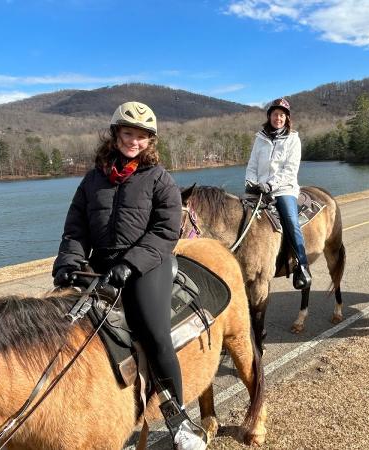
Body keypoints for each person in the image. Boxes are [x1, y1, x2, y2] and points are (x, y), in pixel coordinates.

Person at [52, 101, 207, 450]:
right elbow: (75, 228)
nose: (133, 141)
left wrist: (131, 263)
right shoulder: (92, 180)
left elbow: (166, 231)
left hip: (148, 264)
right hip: (100, 263)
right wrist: (68, 261)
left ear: (149, 141)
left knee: (154, 334)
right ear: (115, 135)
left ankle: (178, 420)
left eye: (141, 136)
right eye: (127, 134)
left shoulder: (159, 179)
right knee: (60, 325)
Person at [245, 98, 312, 289]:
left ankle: (302, 265)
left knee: (291, 221)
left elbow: (289, 169)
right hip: (258, 189)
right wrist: (251, 183)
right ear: (269, 116)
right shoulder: (260, 138)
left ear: (287, 118)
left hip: (284, 188)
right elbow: (252, 165)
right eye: (275, 114)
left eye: (282, 115)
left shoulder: (293, 139)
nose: (278, 118)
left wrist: (270, 185)